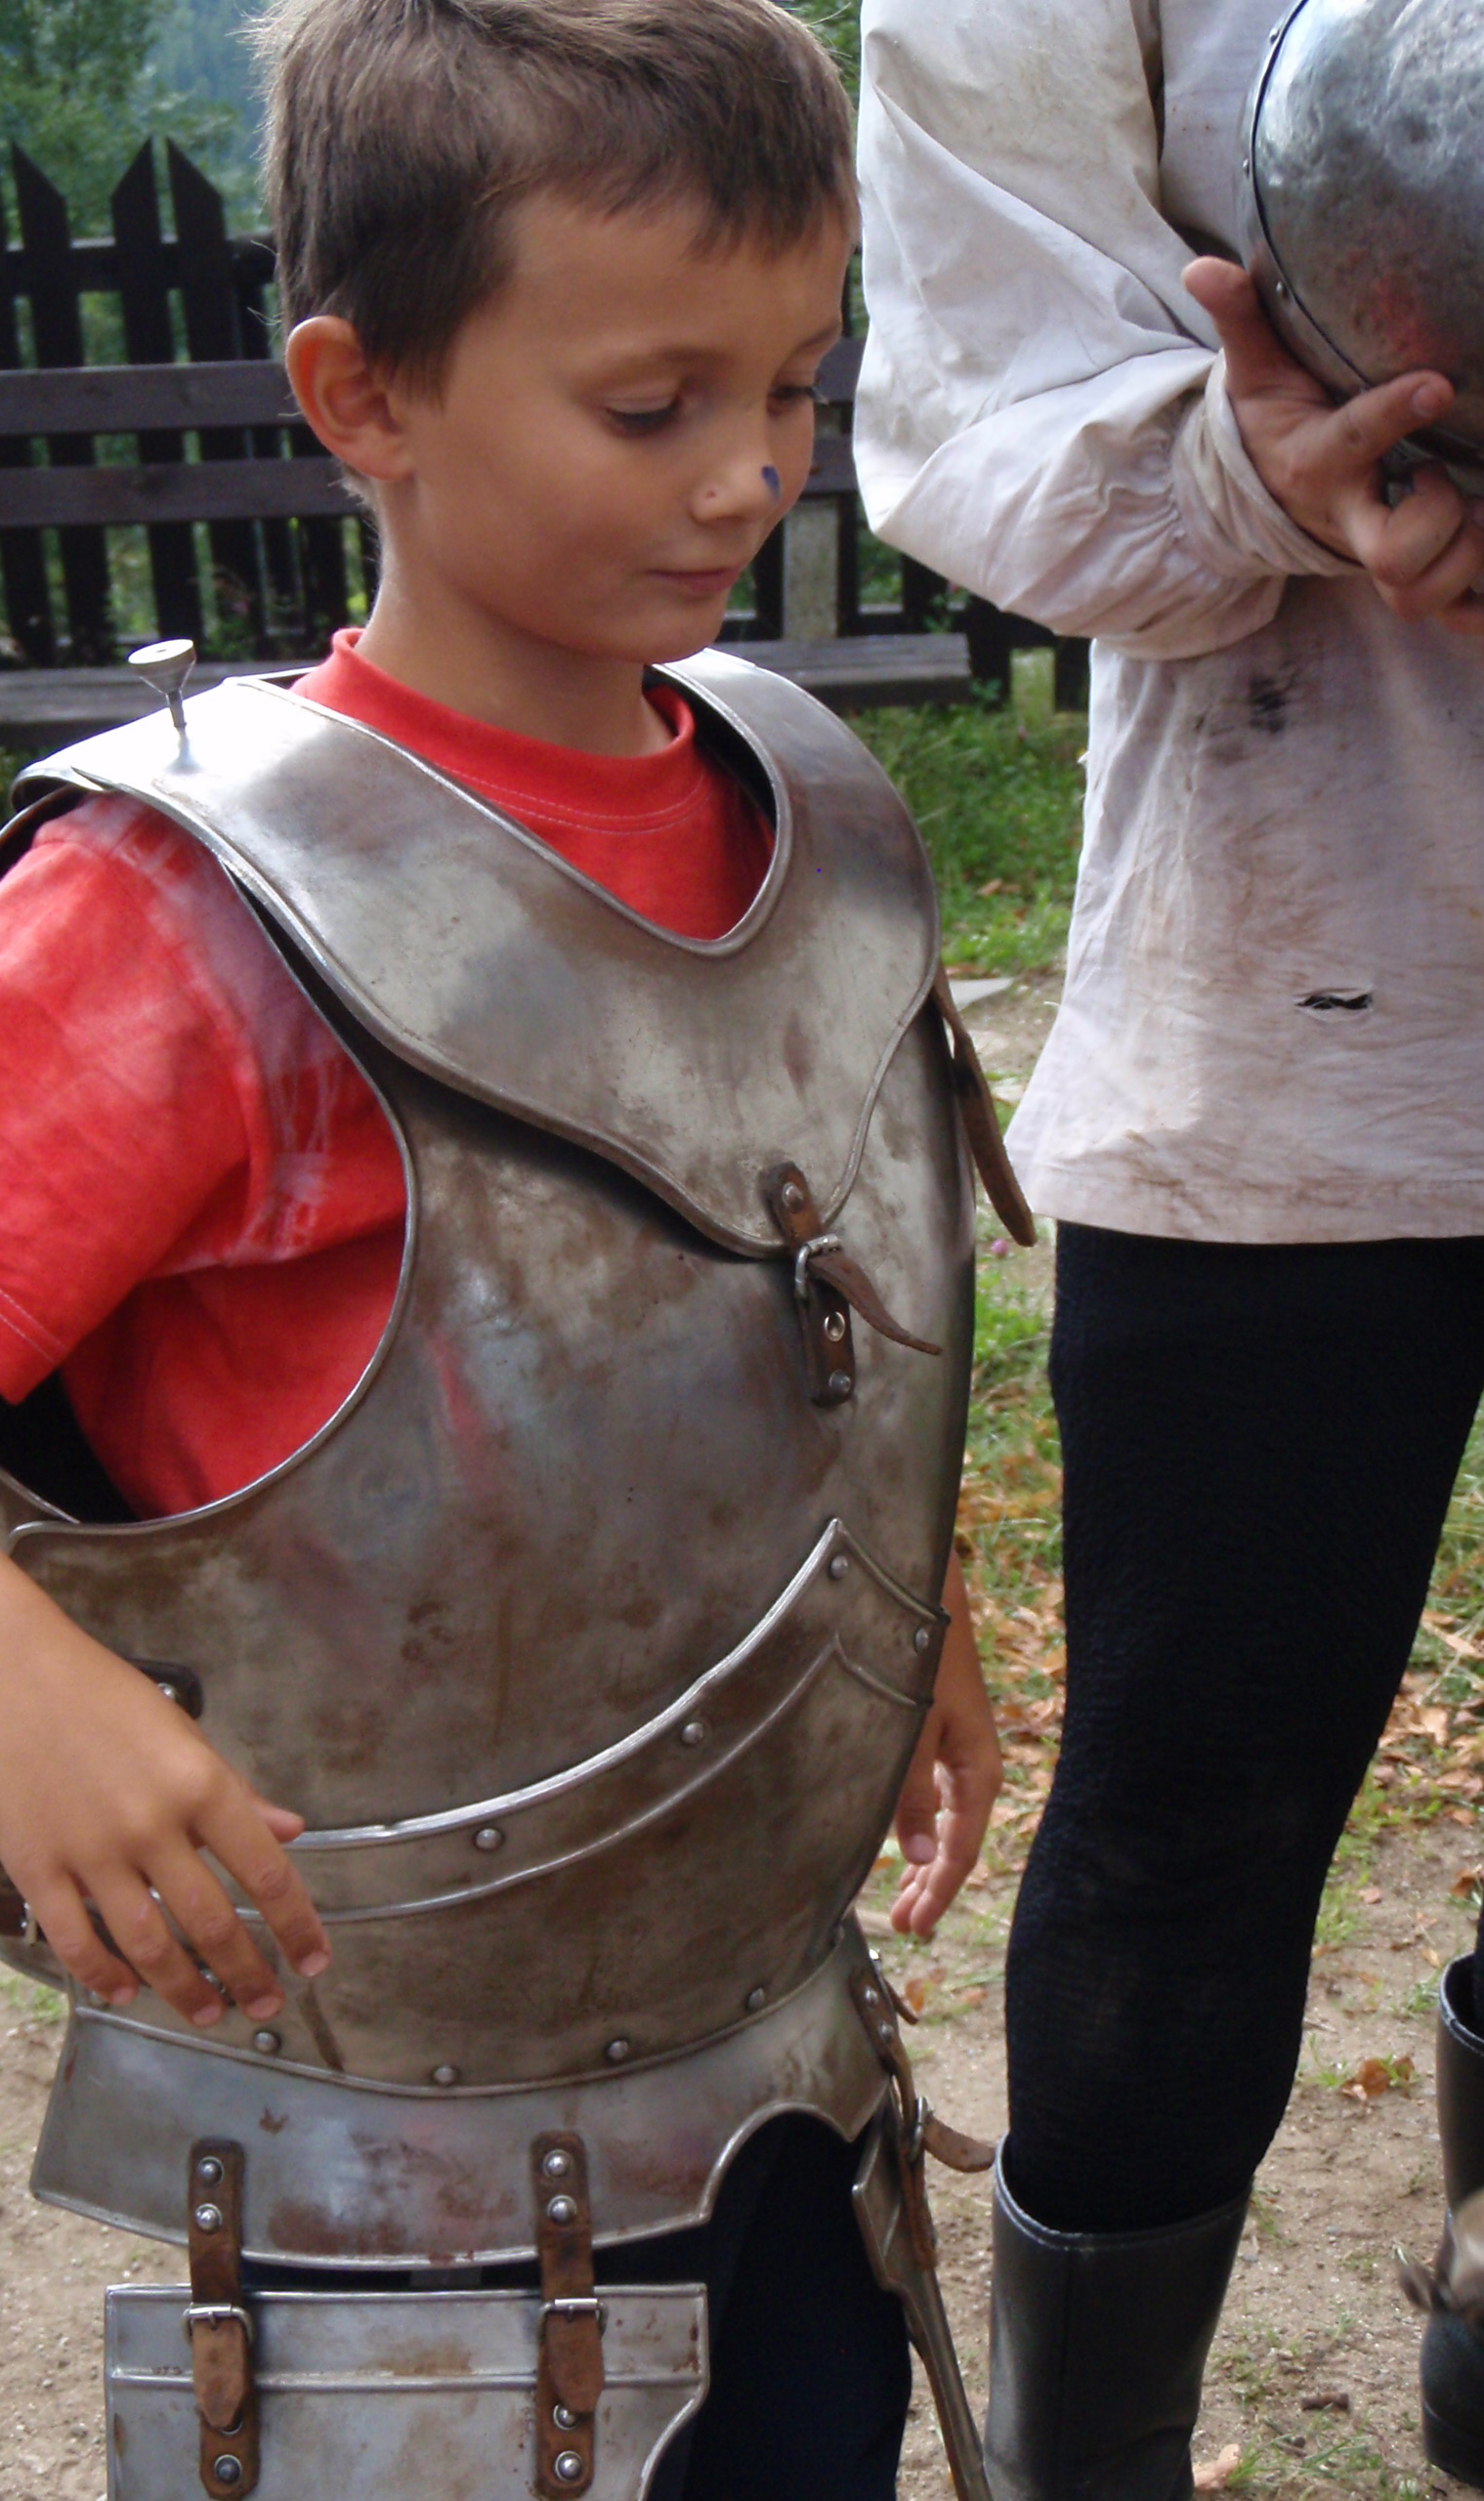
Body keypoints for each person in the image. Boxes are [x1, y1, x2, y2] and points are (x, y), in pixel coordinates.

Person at [0, 4, 1006, 2493]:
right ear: (364, 395)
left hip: (781, 2063)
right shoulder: (190, 914)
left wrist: (908, 1601)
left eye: (798, 382)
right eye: (652, 402)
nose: (751, 472)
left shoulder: (811, 806)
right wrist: (4, 1673)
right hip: (398, 2148)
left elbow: (790, 1290)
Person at [853, 0, 1484, 2492]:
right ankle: (1081, 2467)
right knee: (1187, 1815)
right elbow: (973, 409)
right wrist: (1257, 472)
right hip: (1292, 1003)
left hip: (1283, 1015)